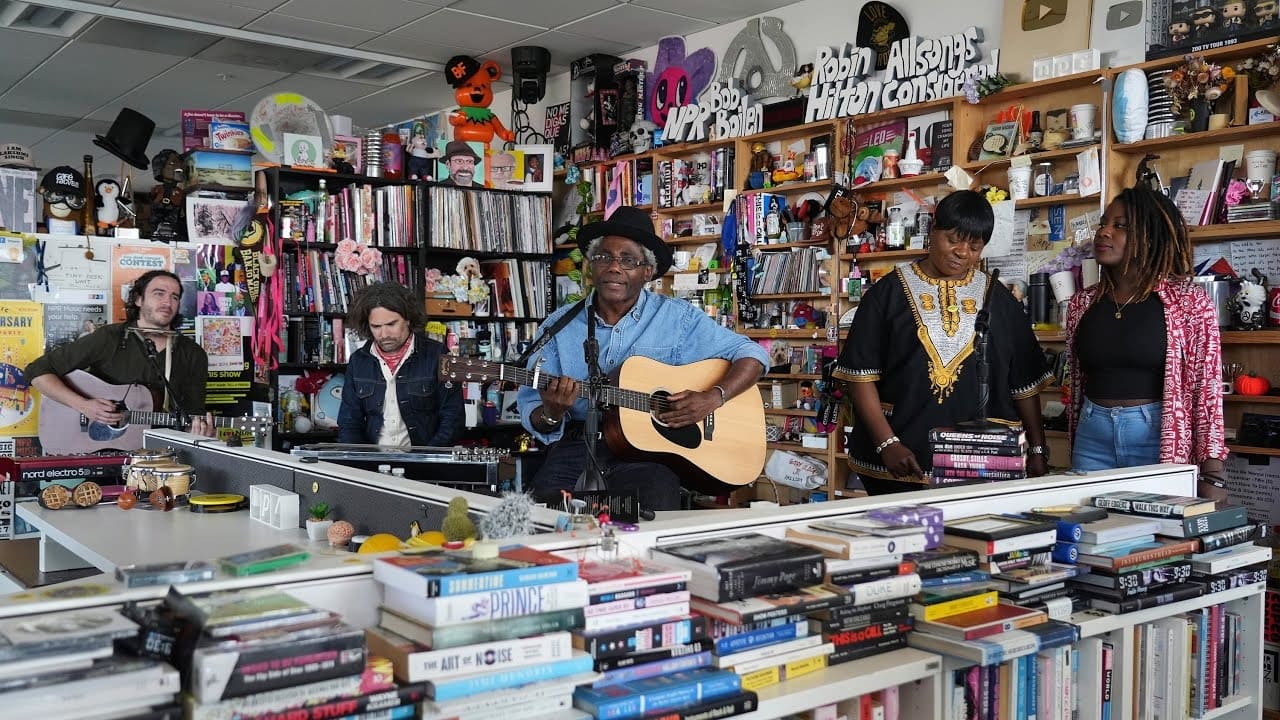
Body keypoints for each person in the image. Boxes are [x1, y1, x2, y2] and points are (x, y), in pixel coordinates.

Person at [518, 206, 770, 511]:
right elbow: (535, 412)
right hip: (577, 447)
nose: (614, 267)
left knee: (655, 512)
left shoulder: (678, 319)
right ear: (591, 267)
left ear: (647, 271)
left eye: (628, 260)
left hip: (648, 456)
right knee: (538, 516)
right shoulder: (557, 326)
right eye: (604, 258)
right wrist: (551, 413)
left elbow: (752, 355)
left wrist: (713, 397)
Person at [833, 190, 1051, 494]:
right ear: (932, 230)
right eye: (953, 239)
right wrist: (887, 442)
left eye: (975, 247)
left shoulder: (998, 299)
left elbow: (1023, 384)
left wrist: (1038, 449)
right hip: (900, 458)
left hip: (983, 461)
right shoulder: (887, 293)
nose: (962, 252)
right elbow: (860, 375)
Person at [1064, 186, 1228, 499]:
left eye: (1121, 226)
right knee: (1091, 534)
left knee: (1158, 537)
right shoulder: (1082, 303)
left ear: (1150, 236)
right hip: (1091, 438)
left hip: (1157, 440)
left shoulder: (1188, 303)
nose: (1104, 232)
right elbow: (1077, 382)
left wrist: (1213, 472)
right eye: (1103, 223)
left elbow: (1206, 391)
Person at [26, 269, 216, 437]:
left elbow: (194, 414)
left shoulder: (193, 354)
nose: (168, 302)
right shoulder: (110, 337)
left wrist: (198, 432)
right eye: (159, 294)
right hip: (104, 448)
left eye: (175, 297)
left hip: (163, 456)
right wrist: (83, 405)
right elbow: (38, 371)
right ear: (138, 299)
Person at [337, 281, 463, 447]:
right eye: (376, 326)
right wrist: (360, 462)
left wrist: (426, 458)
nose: (384, 334)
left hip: (425, 464)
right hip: (372, 465)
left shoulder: (439, 356)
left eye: (391, 324)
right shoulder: (359, 361)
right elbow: (349, 422)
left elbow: (453, 419)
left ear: (408, 319)